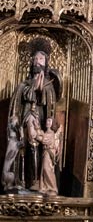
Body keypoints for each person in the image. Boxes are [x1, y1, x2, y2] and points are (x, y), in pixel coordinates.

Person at [4, 38, 62, 192]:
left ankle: (37, 181)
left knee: (37, 145)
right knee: (25, 147)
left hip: (42, 123)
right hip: (25, 121)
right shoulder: (23, 85)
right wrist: (15, 119)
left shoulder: (49, 87)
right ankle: (22, 180)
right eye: (35, 59)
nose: (37, 62)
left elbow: (51, 107)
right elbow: (15, 107)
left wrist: (40, 89)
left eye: (41, 59)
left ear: (46, 62)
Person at [36, 118, 62, 196]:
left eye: (49, 121)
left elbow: (44, 140)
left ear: (52, 123)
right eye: (47, 121)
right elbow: (41, 136)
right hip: (45, 153)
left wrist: (38, 134)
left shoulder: (52, 133)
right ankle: (44, 187)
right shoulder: (45, 132)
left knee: (47, 169)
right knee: (43, 170)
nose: (47, 122)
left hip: (49, 153)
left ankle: (53, 188)